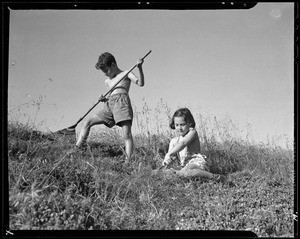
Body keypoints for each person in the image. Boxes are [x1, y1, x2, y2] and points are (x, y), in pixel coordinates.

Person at [68, 52, 145, 163]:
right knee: (87, 121)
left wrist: (140, 68)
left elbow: (141, 83)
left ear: (113, 65)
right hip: (109, 106)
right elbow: (110, 96)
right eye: (103, 72)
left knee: (126, 134)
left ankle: (128, 161)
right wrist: (104, 99)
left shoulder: (126, 73)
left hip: (122, 104)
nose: (105, 74)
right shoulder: (107, 81)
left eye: (106, 71)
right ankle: (78, 148)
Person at [162, 108, 226, 183]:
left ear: (189, 123)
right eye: (177, 125)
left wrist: (169, 154)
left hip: (196, 163)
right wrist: (167, 160)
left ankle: (215, 177)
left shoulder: (192, 132)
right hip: (184, 166)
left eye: (182, 125)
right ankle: (196, 178)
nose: (179, 128)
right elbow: (171, 157)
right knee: (175, 173)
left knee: (185, 172)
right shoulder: (174, 141)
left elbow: (183, 143)